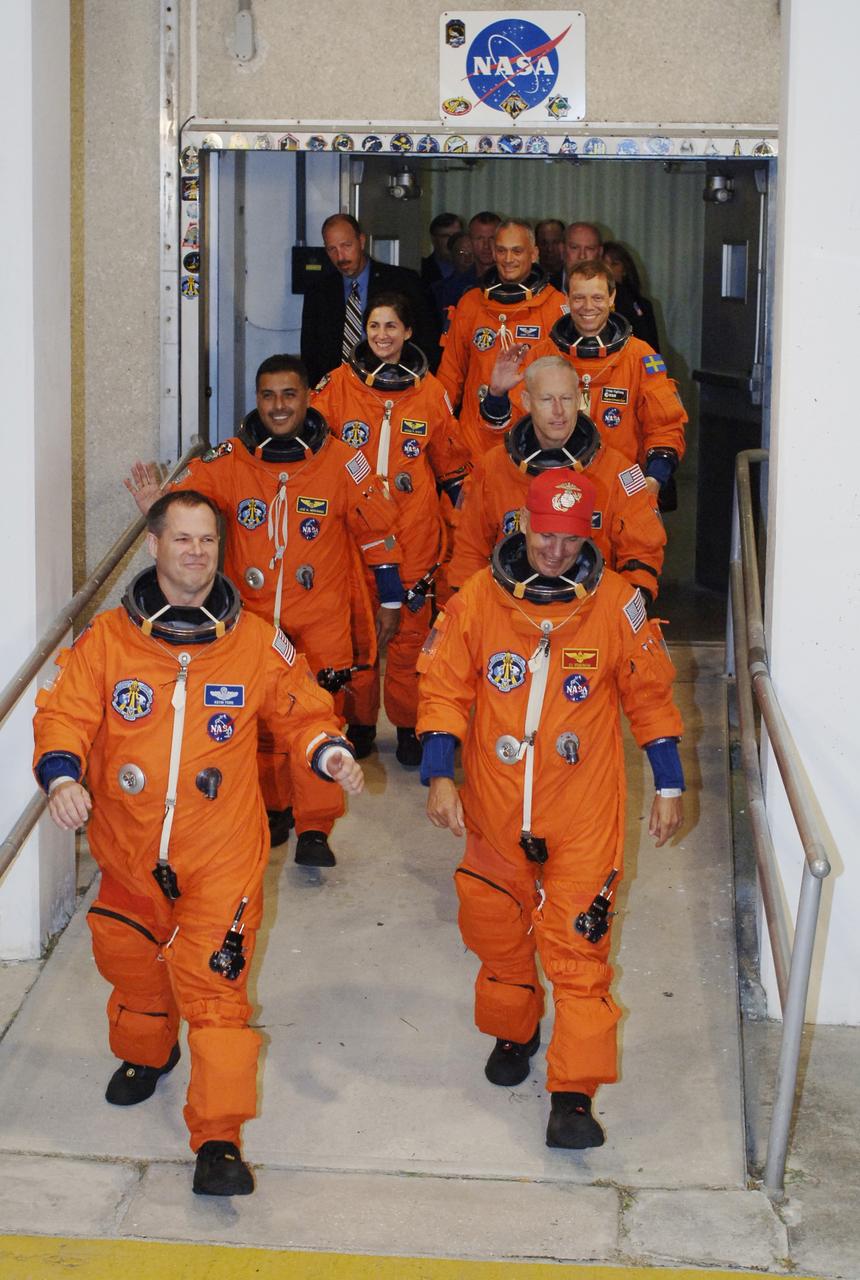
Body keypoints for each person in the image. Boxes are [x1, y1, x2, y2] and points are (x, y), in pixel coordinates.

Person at [33, 491, 363, 1195]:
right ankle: (147, 1053)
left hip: (221, 855)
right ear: (153, 545)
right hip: (128, 851)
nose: (195, 553)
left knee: (217, 993)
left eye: (206, 541)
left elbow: (301, 708)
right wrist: (61, 776)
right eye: (181, 540)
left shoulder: (255, 642)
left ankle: (218, 1139)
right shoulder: (108, 642)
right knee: (130, 959)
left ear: (220, 548)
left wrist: (327, 752)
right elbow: (62, 712)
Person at [416, 469, 684, 1150]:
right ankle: (515, 1029)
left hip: (583, 813)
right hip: (497, 810)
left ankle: (573, 1095)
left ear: (586, 533)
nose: (555, 551)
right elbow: (443, 685)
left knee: (579, 952)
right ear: (523, 527)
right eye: (544, 535)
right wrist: (439, 774)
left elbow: (649, 698)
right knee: (498, 932)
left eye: (568, 539)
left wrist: (670, 783)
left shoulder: (618, 605)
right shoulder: (479, 599)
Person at [125, 355, 402, 868]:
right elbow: (189, 504)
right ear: (258, 399)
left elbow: (377, 531)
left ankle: (315, 826)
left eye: (289, 394)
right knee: (261, 724)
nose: (279, 406)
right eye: (268, 395)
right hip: (249, 622)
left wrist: (390, 599)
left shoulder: (342, 461)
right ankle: (274, 807)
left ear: (307, 398)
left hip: (319, 620)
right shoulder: (233, 460)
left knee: (319, 719)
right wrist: (157, 511)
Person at [313, 292, 469, 764]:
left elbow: (452, 466)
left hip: (415, 530)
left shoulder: (431, 392)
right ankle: (359, 722)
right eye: (375, 326)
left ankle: (407, 724)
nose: (381, 335)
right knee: (359, 631)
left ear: (407, 333)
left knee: (410, 638)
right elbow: (313, 451)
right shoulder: (338, 385)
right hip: (357, 533)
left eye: (391, 327)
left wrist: (479, 517)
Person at [449, 356, 665, 607]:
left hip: (590, 613)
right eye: (546, 400)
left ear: (580, 400)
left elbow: (642, 555)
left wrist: (621, 616)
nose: (559, 411)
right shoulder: (493, 468)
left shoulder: (619, 473)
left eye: (566, 398)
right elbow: (469, 553)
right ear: (527, 401)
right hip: (508, 615)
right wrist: (472, 615)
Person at [477, 259, 686, 504]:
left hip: (618, 490)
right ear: (566, 298)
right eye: (579, 298)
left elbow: (665, 427)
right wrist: (497, 395)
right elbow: (511, 429)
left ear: (612, 297)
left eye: (597, 298)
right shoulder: (541, 355)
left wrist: (654, 479)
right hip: (550, 487)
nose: (588, 307)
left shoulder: (639, 357)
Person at [437, 219, 568, 462]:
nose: (508, 259)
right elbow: (450, 374)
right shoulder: (471, 303)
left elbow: (569, 379)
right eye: (501, 250)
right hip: (475, 439)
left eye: (517, 251)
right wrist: (438, 427)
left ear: (534, 253)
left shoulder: (555, 306)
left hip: (534, 438)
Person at [300, 214, 440, 386]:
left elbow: (428, 343)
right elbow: (310, 356)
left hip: (393, 387)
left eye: (346, 245)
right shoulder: (318, 292)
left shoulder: (404, 283)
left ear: (361, 241)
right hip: (336, 393)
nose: (340, 256)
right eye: (332, 249)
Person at [602, 240, 660, 350]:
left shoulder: (642, 305)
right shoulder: (592, 304)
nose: (607, 268)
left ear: (625, 269)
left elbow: (652, 348)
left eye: (614, 264)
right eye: (602, 263)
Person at [431, 231, 477, 321]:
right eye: (461, 252)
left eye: (472, 252)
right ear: (452, 255)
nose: (468, 258)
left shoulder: (488, 284)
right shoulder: (439, 289)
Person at [421, 212, 463, 287]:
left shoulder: (474, 269)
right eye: (446, 236)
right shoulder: (421, 271)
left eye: (456, 236)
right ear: (434, 239)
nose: (452, 241)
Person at [467, 210, 502, 282]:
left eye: (492, 238)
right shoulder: (454, 287)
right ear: (470, 241)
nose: (486, 246)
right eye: (479, 238)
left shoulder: (518, 285)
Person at [535, 218, 566, 288]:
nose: (550, 249)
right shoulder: (528, 277)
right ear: (536, 245)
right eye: (544, 243)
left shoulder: (573, 276)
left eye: (555, 242)